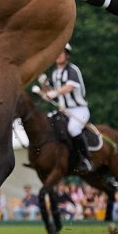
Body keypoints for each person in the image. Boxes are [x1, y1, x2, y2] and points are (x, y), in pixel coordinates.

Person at [40, 43, 92, 171]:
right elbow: (49, 90)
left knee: (73, 129)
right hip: (65, 111)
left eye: (61, 52)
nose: (58, 55)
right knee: (49, 125)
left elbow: (69, 87)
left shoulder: (72, 70)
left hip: (79, 110)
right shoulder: (55, 73)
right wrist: (43, 85)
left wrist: (55, 93)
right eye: (57, 53)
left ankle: (86, 159)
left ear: (67, 55)